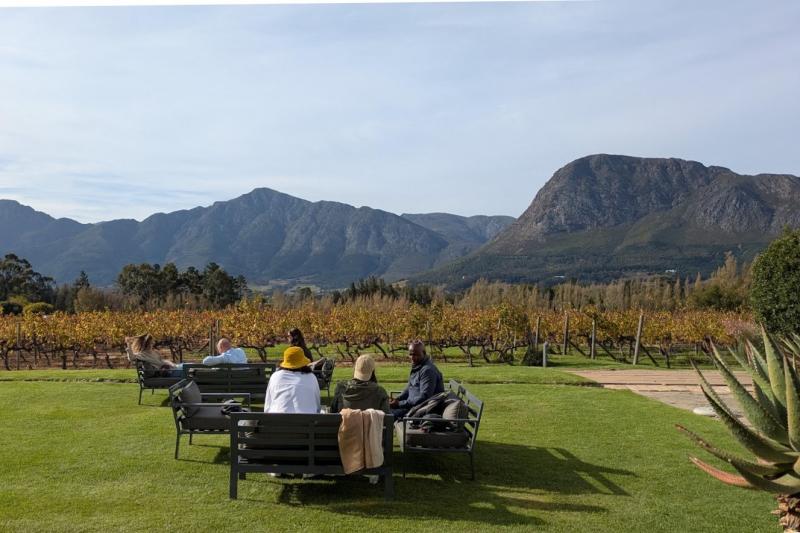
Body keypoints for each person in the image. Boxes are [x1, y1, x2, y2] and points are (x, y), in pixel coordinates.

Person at [389, 340, 444, 419]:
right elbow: (409, 388)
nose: (412, 357)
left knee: (385, 416)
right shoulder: (418, 366)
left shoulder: (427, 370)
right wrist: (397, 399)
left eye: (416, 355)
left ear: (424, 353)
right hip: (411, 406)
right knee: (381, 411)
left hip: (419, 410)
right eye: (410, 354)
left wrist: (399, 404)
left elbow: (424, 397)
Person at [263, 346, 320, 414]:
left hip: (276, 422)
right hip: (307, 423)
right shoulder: (311, 377)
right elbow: (317, 406)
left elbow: (267, 406)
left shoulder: (275, 376)